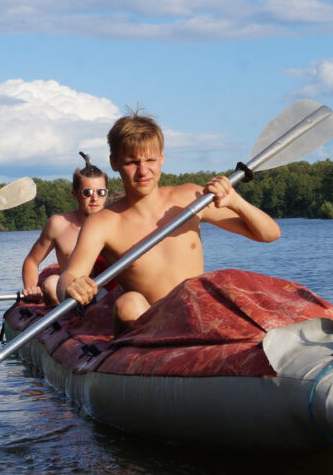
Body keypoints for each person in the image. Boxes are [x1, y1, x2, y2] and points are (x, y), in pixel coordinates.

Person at [58, 109, 280, 335]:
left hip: (198, 312)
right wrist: (72, 286)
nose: (143, 171)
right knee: (129, 303)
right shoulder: (103, 223)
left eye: (151, 160)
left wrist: (236, 202)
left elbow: (269, 234)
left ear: (162, 158)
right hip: (149, 323)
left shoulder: (191, 198)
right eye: (132, 162)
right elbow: (68, 277)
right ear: (114, 163)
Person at [21, 161, 110, 305]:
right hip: (69, 296)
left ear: (106, 194)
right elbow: (32, 260)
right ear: (74, 194)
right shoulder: (58, 224)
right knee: (50, 284)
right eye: (87, 192)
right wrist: (31, 288)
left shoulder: (116, 222)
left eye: (101, 192)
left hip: (106, 294)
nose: (95, 198)